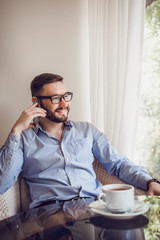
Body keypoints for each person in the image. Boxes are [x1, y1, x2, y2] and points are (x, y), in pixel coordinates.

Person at [0, 73, 160, 209]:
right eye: (56, 98)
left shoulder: (87, 131)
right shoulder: (23, 139)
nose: (64, 103)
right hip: (49, 215)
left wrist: (149, 181)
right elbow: (2, 183)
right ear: (36, 101)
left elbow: (118, 164)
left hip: (94, 208)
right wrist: (15, 130)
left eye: (65, 96)